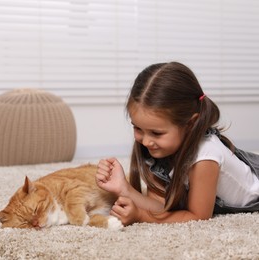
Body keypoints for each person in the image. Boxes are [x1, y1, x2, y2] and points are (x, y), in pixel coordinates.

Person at [96, 61, 259, 225]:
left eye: (156, 133)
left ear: (190, 124)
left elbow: (198, 216)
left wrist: (142, 216)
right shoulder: (158, 149)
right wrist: (124, 189)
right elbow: (162, 206)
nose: (145, 141)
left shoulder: (205, 157)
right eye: (137, 128)